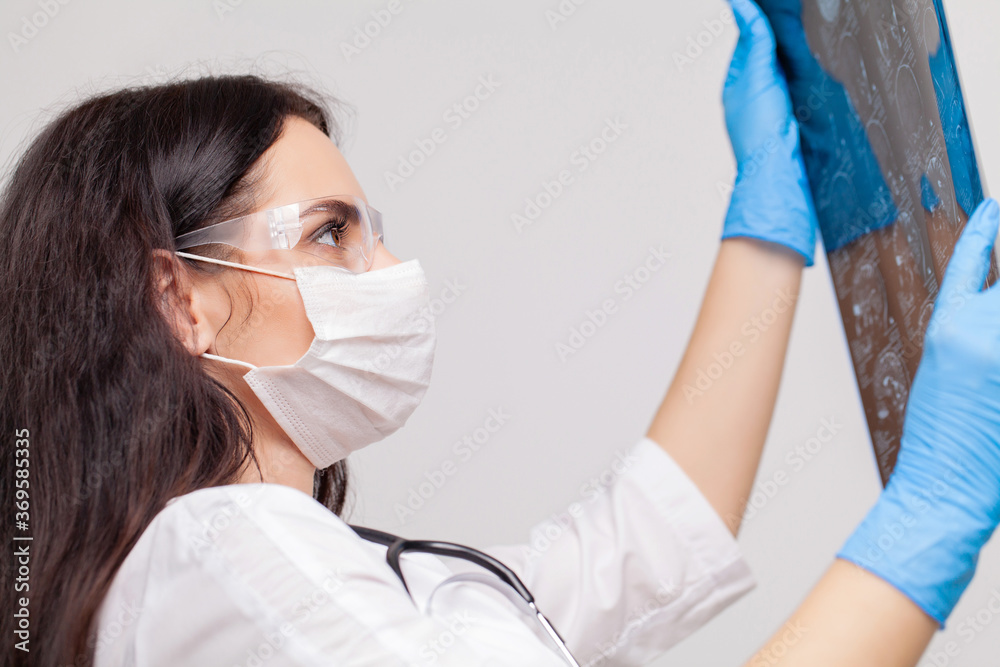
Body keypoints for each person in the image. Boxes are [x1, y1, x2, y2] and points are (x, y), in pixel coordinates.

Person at [1, 2, 998, 667]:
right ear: (180, 299)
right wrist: (932, 510)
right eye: (331, 233)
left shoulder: (325, 580)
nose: (392, 271)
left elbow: (644, 542)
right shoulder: (220, 556)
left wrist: (767, 227)